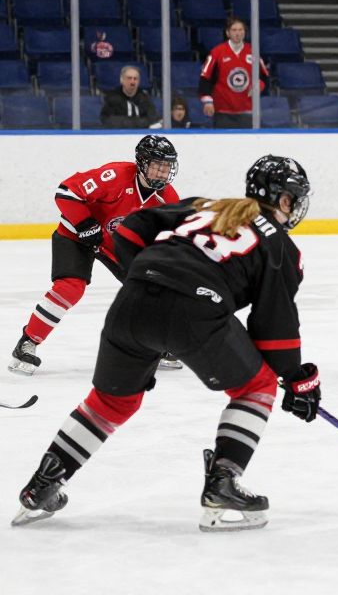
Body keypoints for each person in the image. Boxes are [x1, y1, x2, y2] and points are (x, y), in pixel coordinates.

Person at [12, 155, 319, 531]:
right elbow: (274, 329)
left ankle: (41, 486)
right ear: (285, 200)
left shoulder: (205, 206)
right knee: (257, 388)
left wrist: (151, 271)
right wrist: (298, 379)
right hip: (195, 313)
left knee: (110, 402)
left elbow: (128, 230)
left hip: (132, 300)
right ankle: (223, 481)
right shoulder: (284, 248)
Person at [9, 136, 179, 376]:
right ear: (141, 162)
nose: (162, 173)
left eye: (167, 167)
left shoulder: (168, 198)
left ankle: (157, 343)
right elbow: (66, 192)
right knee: (70, 287)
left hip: (114, 245)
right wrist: (85, 224)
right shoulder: (115, 176)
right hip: (75, 235)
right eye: (157, 165)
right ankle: (28, 342)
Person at [199, 16, 270, 130]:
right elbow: (205, 78)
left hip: (247, 110)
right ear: (228, 33)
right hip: (223, 111)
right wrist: (208, 101)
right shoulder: (217, 52)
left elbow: (264, 76)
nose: (238, 33)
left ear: (245, 32)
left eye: (241, 30)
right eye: (234, 30)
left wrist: (259, 85)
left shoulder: (253, 51)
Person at [100, 65, 159, 129]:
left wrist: (128, 122)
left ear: (139, 82)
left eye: (135, 79)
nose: (132, 82)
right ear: (121, 80)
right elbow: (107, 120)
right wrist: (138, 122)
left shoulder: (145, 99)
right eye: (129, 78)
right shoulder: (112, 98)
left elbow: (153, 120)